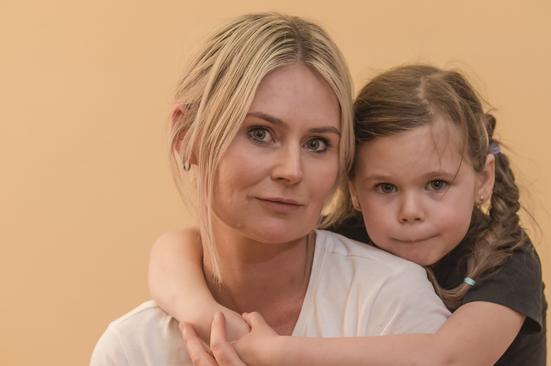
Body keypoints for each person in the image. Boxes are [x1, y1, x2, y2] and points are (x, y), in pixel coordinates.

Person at [90, 14, 449, 366]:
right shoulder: (134, 348)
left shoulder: (390, 301)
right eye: (260, 133)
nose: (291, 171)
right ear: (187, 137)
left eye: (317, 144)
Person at [151, 65, 547, 365]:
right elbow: (174, 249)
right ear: (353, 188)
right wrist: (208, 317)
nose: (410, 212)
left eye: (437, 185)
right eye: (386, 188)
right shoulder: (352, 238)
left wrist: (279, 353)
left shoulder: (507, 258)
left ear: (483, 179)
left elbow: (446, 358)